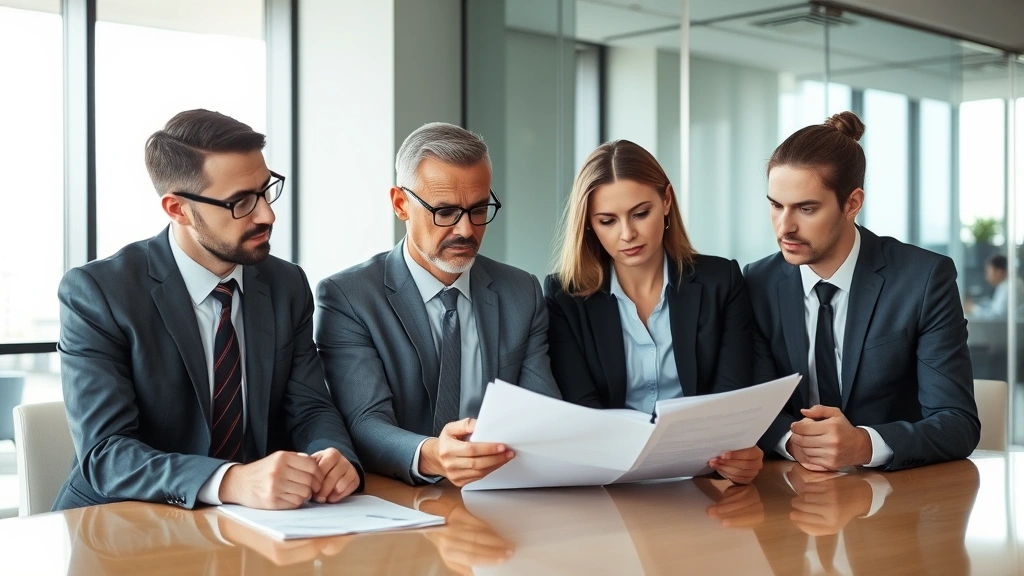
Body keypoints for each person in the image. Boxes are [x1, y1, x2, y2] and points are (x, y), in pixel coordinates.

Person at [55, 110, 362, 511]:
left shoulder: (286, 285)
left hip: (256, 526)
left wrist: (333, 453)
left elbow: (309, 407)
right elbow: (106, 453)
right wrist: (229, 480)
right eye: (240, 202)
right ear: (178, 209)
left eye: (266, 191)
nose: (267, 214)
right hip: (121, 523)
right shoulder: (99, 293)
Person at [315, 122, 561, 487]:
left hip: (504, 491)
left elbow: (542, 414)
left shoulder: (520, 292)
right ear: (401, 204)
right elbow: (364, 422)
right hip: (401, 499)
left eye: (479, 210)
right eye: (445, 212)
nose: (465, 230)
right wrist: (433, 456)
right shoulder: (349, 297)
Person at [745, 111, 980, 472]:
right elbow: (752, 404)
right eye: (776, 205)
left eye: (806, 209)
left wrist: (865, 444)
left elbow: (957, 422)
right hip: (793, 490)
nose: (784, 227)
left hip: (896, 499)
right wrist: (793, 441)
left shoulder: (923, 279)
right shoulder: (758, 282)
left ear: (852, 203)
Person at [544, 140, 764, 485]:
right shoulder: (564, 297)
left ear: (666, 201)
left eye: (640, 213)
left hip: (703, 478)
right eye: (607, 221)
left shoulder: (722, 280)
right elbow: (585, 414)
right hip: (610, 480)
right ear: (588, 223)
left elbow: (730, 403)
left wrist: (738, 455)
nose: (627, 234)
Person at [965, 254, 1022, 318]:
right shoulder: (1005, 284)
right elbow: (996, 308)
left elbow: (997, 316)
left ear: (999, 271)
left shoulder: (1011, 286)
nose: (986, 277)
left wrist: (973, 309)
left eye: (988, 272)